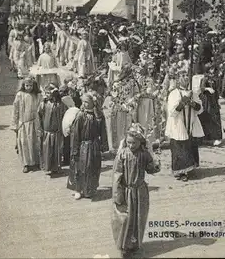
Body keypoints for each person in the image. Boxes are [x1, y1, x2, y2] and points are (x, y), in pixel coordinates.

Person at [111, 123, 161, 258]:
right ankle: (124, 246)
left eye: (134, 143)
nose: (131, 145)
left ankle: (135, 244)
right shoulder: (122, 154)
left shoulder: (144, 154)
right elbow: (117, 175)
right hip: (126, 192)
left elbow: (151, 169)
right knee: (124, 219)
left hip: (140, 192)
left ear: (140, 142)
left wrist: (156, 163)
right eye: (129, 142)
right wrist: (117, 194)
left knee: (138, 218)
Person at [165, 68, 204, 182]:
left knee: (190, 144)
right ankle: (180, 171)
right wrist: (182, 103)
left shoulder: (193, 92)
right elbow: (172, 112)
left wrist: (192, 103)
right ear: (178, 79)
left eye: (187, 75)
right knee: (179, 145)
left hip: (190, 122)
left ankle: (190, 168)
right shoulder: (174, 93)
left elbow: (200, 109)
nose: (186, 78)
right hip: (178, 123)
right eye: (183, 76)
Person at [67, 93, 108, 200]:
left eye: (87, 102)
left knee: (93, 168)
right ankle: (78, 189)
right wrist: (75, 149)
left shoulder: (99, 116)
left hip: (94, 145)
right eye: (83, 102)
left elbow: (103, 131)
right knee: (81, 168)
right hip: (83, 146)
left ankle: (90, 189)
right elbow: (75, 134)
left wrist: (104, 145)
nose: (84, 104)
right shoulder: (81, 115)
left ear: (93, 103)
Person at [11, 76, 42, 173]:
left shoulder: (37, 95)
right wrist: (15, 124)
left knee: (35, 143)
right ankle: (26, 163)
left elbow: (40, 108)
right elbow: (15, 110)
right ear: (23, 85)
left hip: (34, 123)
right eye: (27, 85)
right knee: (24, 143)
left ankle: (36, 162)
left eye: (31, 85)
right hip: (23, 123)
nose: (29, 87)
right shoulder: (20, 95)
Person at [38, 83, 67, 176]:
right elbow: (39, 116)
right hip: (47, 131)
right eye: (46, 93)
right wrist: (40, 129)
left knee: (57, 151)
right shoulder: (43, 104)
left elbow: (64, 115)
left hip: (57, 132)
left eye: (49, 93)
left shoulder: (60, 104)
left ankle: (56, 168)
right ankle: (47, 167)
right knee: (47, 150)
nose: (47, 95)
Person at [196, 63, 223, 147]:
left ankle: (215, 137)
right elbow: (201, 88)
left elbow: (217, 91)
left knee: (215, 118)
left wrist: (218, 101)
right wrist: (207, 88)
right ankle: (206, 138)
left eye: (214, 69)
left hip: (213, 100)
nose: (213, 71)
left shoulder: (215, 79)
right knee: (207, 117)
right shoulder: (205, 78)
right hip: (206, 100)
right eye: (211, 69)